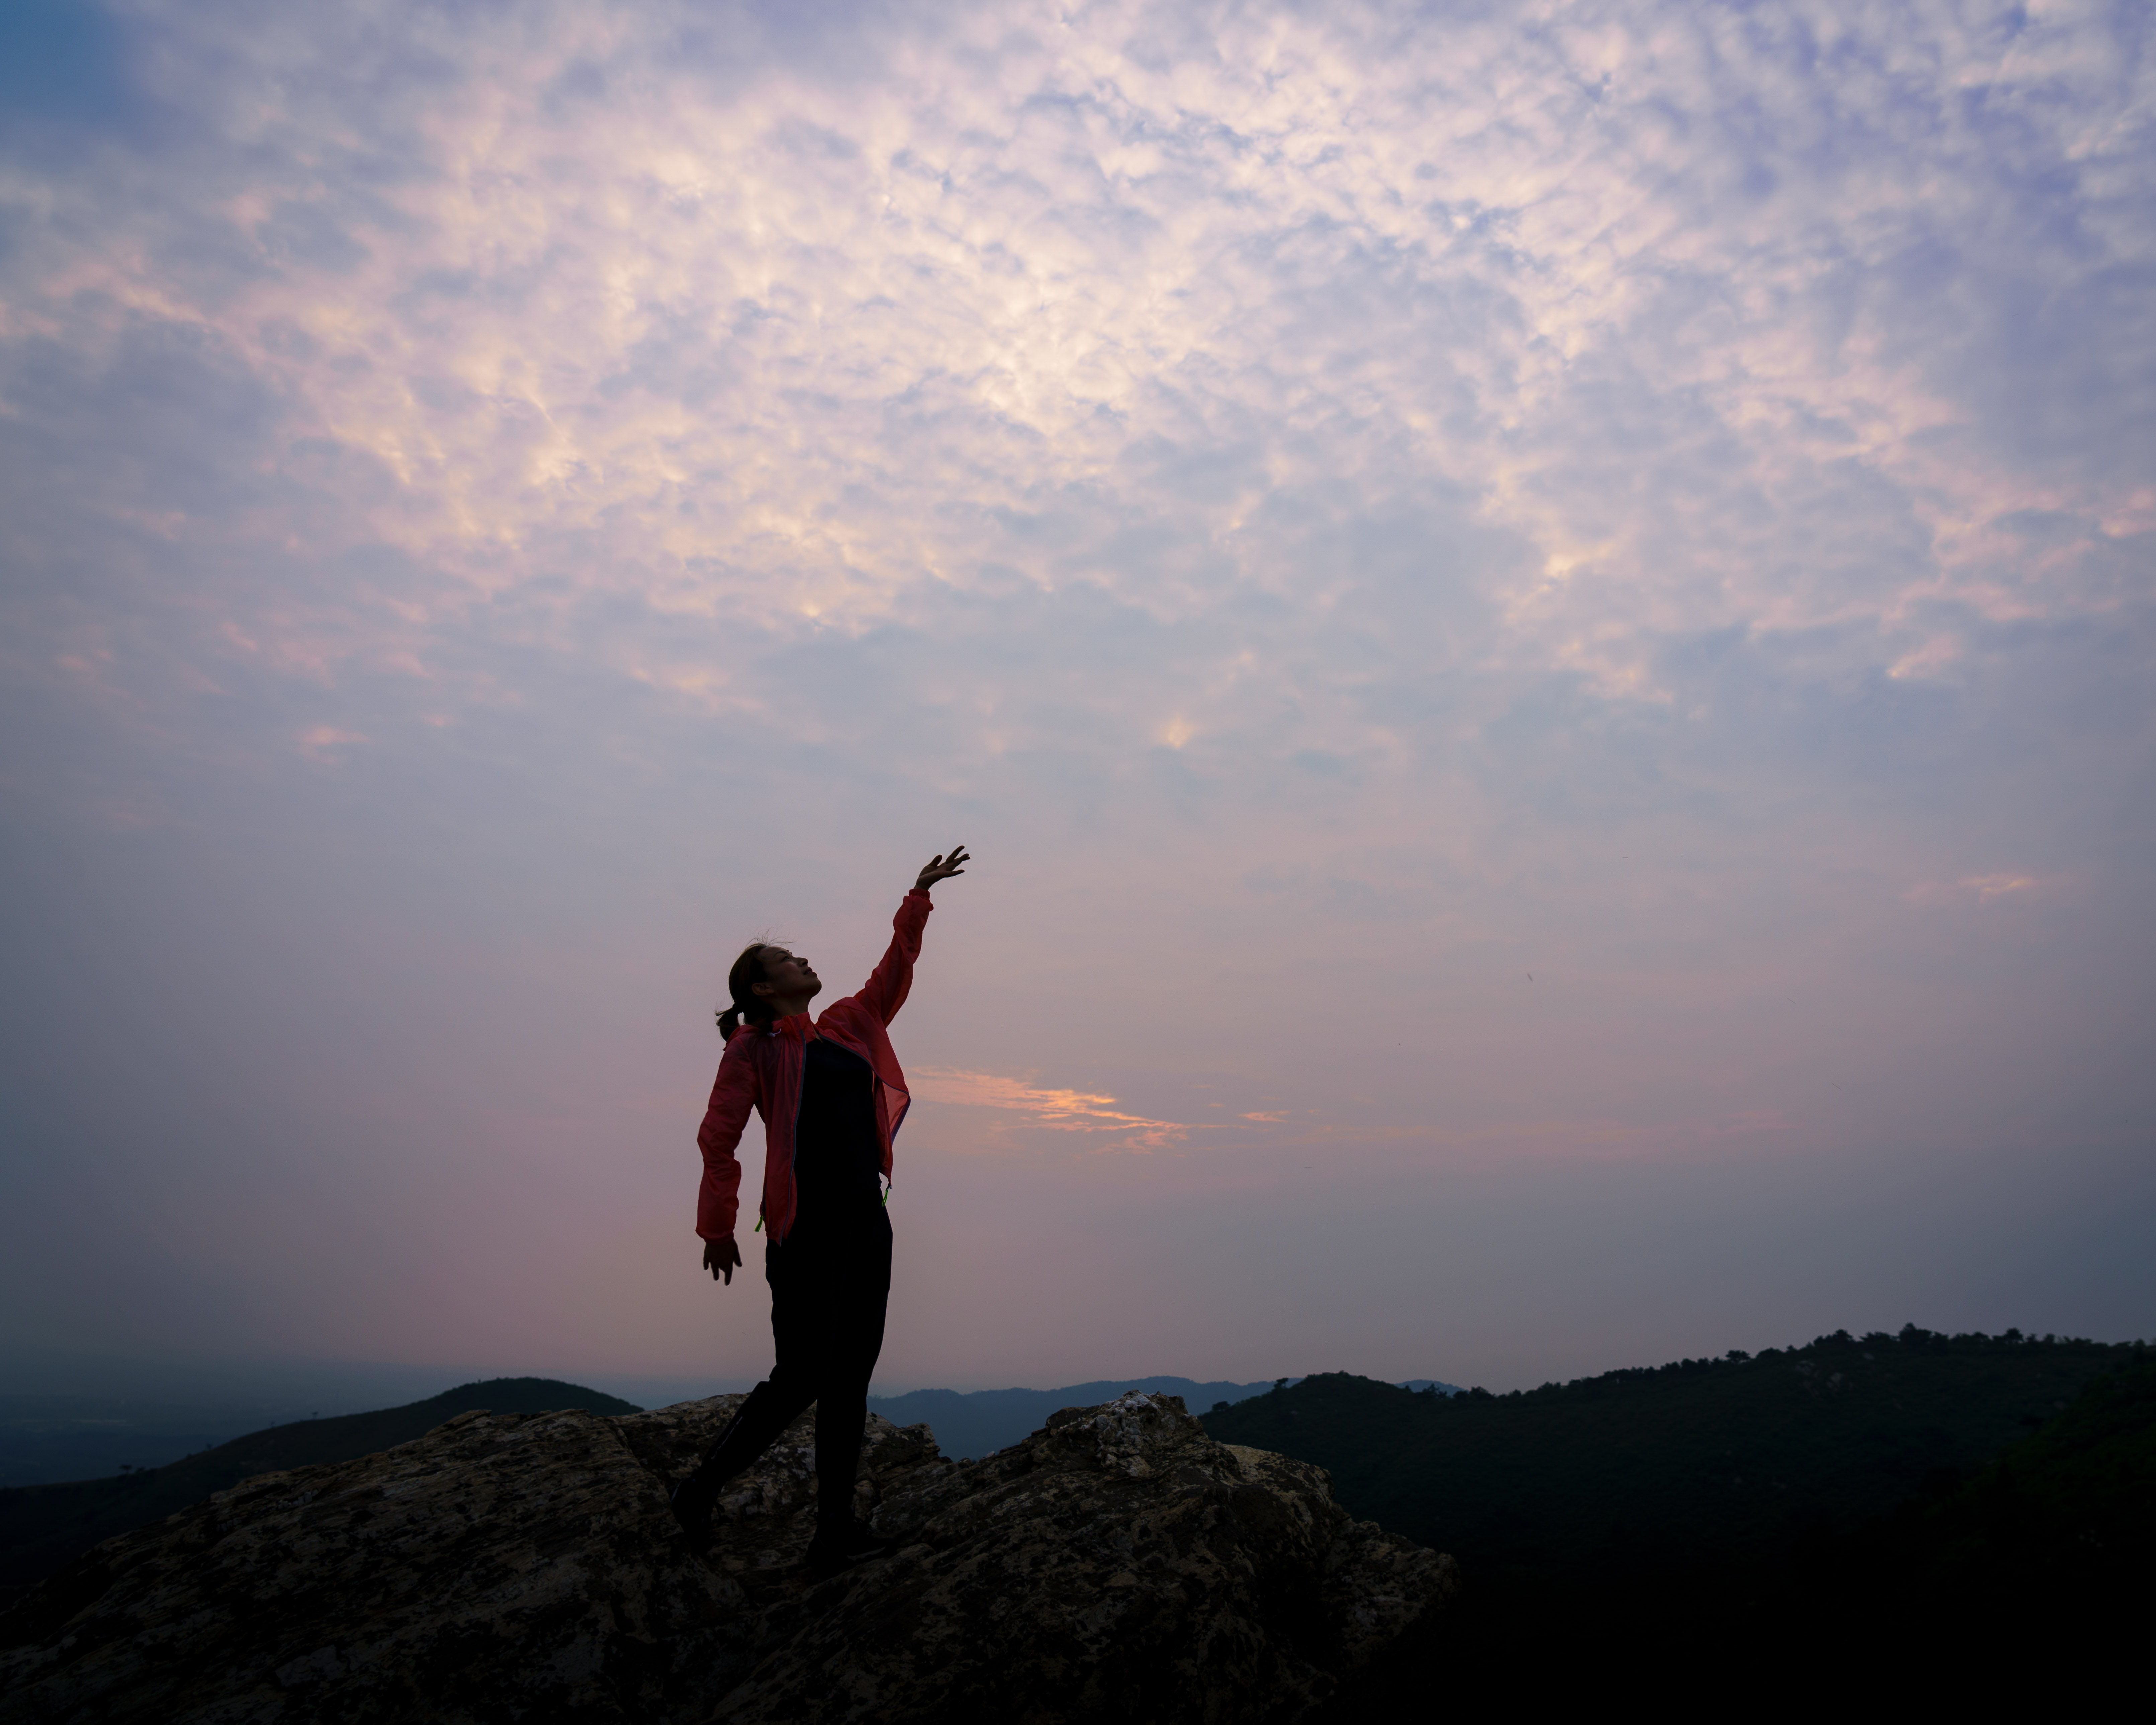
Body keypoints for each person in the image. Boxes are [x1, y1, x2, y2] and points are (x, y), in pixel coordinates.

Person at [671, 845, 971, 1576]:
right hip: (804, 1230)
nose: (804, 960)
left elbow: (894, 969)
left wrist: (918, 897)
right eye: (788, 958)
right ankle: (697, 1493)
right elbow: (719, 1138)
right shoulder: (756, 1048)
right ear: (763, 987)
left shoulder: (846, 1023)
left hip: (868, 1220)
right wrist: (718, 1224)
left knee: (850, 1375)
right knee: (802, 1373)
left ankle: (834, 1529)